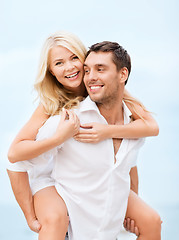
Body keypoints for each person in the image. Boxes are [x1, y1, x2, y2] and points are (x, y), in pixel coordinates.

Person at [7, 32, 161, 240]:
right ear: (51, 71)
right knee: (55, 218)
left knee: (151, 221)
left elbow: (143, 136)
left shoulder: (112, 94)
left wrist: (106, 131)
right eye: (59, 63)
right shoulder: (52, 104)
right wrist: (30, 217)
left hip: (91, 176)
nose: (70, 67)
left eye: (74, 59)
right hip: (50, 177)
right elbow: (14, 156)